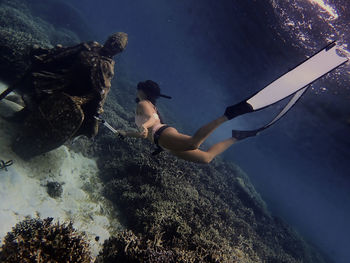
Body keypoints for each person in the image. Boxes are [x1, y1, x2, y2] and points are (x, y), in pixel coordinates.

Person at [5, 32, 128, 159]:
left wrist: (80, 101)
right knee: (39, 97)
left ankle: (33, 142)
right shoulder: (92, 46)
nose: (112, 44)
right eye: (112, 40)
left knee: (55, 115)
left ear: (119, 51)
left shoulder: (107, 68)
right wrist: (46, 57)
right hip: (62, 81)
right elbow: (67, 52)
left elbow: (99, 93)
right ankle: (21, 117)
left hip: (77, 96)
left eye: (117, 45)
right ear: (108, 38)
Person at [118, 80, 257, 164]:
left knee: (193, 143)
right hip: (162, 142)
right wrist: (125, 133)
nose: (136, 91)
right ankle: (236, 137)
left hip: (162, 135)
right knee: (206, 158)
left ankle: (227, 115)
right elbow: (143, 134)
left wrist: (145, 126)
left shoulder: (143, 103)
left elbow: (153, 118)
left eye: (138, 89)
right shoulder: (145, 104)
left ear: (142, 91)